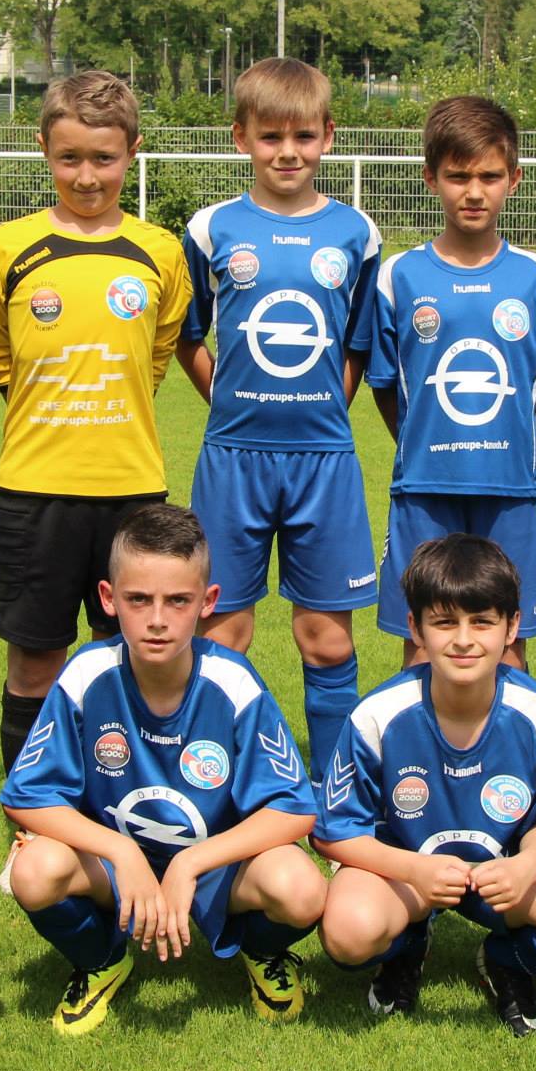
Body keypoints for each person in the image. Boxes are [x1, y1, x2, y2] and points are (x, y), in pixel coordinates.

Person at [0, 505, 325, 1035]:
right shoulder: (87, 675)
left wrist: (191, 863)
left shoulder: (235, 683)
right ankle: (103, 960)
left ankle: (260, 953)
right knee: (34, 872)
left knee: (301, 887)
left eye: (178, 601)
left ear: (207, 602)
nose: (157, 619)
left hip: (210, 868)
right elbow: (26, 796)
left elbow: (292, 811)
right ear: (109, 599)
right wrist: (122, 851)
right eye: (138, 600)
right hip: (114, 871)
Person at [0, 71, 192, 772]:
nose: (87, 175)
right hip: (35, 487)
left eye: (104, 159)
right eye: (70, 158)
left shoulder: (159, 252)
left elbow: (154, 359)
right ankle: (31, 807)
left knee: (127, 658)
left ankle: (117, 795)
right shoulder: (8, 248)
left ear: (132, 152)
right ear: (43, 150)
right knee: (35, 659)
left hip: (130, 489)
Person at [315, 534, 536, 1036]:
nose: (463, 639)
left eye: (482, 621)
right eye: (444, 622)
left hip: (505, 878)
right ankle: (407, 945)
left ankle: (506, 957)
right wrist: (414, 868)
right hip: (409, 877)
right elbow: (331, 832)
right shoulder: (377, 715)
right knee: (350, 932)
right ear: (414, 628)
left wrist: (525, 865)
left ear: (512, 626)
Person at [176, 58, 382, 783]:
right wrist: (225, 399)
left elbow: (359, 343)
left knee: (325, 637)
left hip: (324, 460)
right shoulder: (211, 229)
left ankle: (333, 790)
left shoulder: (357, 232)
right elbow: (188, 335)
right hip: (233, 456)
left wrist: (329, 404)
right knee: (224, 635)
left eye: (302, 135)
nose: (287, 152)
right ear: (242, 138)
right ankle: (225, 782)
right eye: (270, 137)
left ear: (328, 136)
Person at [367, 96, 536, 670]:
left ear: (514, 179)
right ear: (431, 179)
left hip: (512, 489)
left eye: (489, 176)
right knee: (423, 639)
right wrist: (428, 439)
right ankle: (413, 759)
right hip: (424, 486)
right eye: (457, 176)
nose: (473, 192)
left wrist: (497, 438)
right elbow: (387, 386)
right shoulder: (399, 276)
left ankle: (515, 758)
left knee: (509, 642)